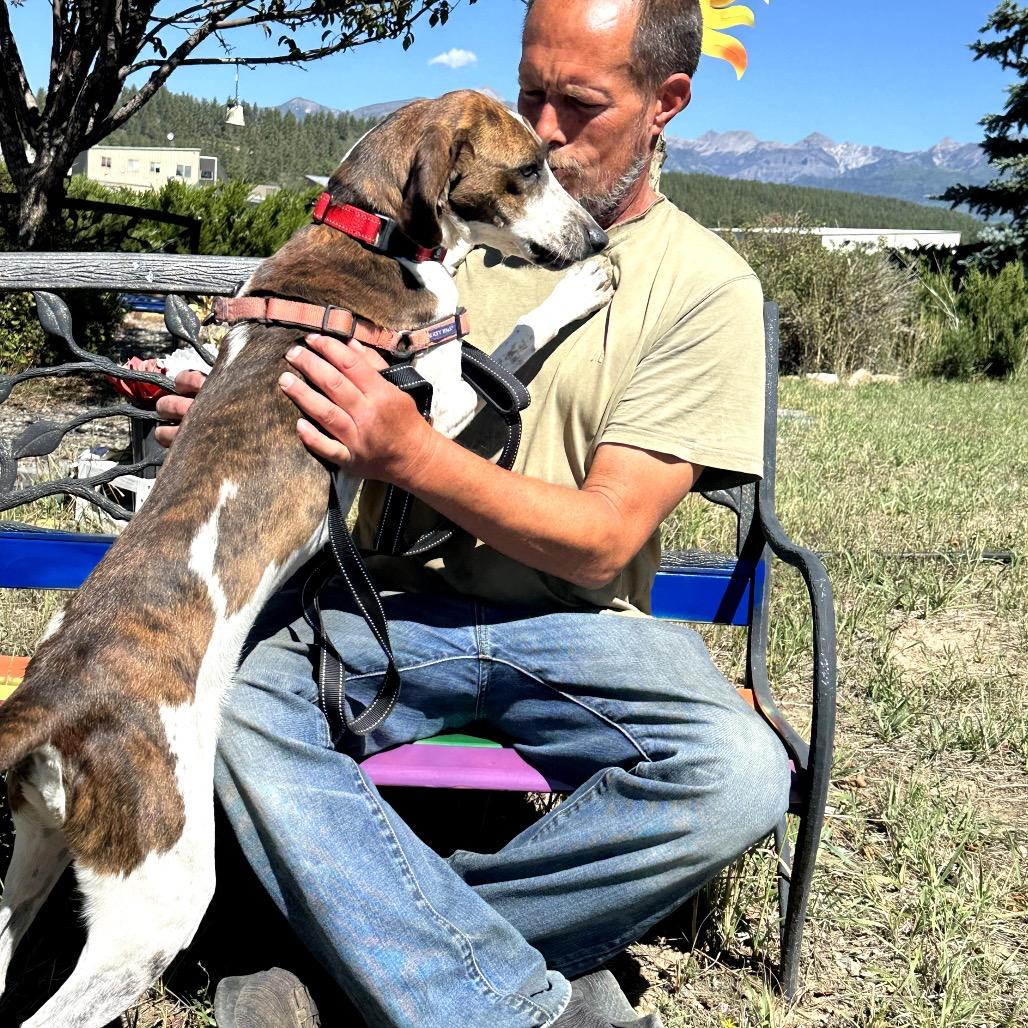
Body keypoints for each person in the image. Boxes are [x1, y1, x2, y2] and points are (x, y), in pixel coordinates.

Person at [158, 1, 791, 1024]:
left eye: (578, 102)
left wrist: (408, 453)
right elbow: (317, 403)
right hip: (381, 608)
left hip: (573, 625)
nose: (539, 128)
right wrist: (240, 410)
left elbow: (602, 540)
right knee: (226, 700)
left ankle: (343, 951)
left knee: (740, 774)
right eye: (528, 91)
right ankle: (497, 990)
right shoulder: (445, 232)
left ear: (665, 102)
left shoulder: (702, 286)